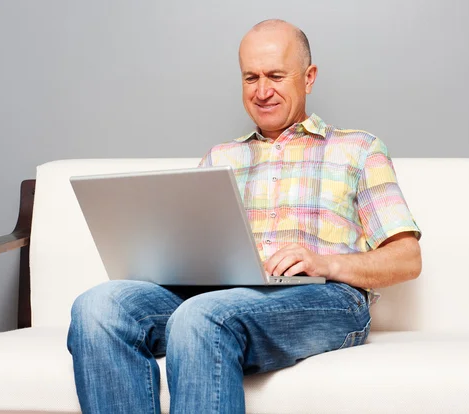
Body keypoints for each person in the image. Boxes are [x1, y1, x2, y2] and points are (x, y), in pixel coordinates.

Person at [67, 19, 422, 414]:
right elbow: (191, 247)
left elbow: (407, 258)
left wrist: (325, 262)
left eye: (275, 75)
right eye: (250, 77)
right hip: (219, 297)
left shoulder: (359, 149)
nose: (262, 91)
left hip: (325, 298)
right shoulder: (220, 158)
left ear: (308, 78)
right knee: (98, 306)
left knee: (202, 317)